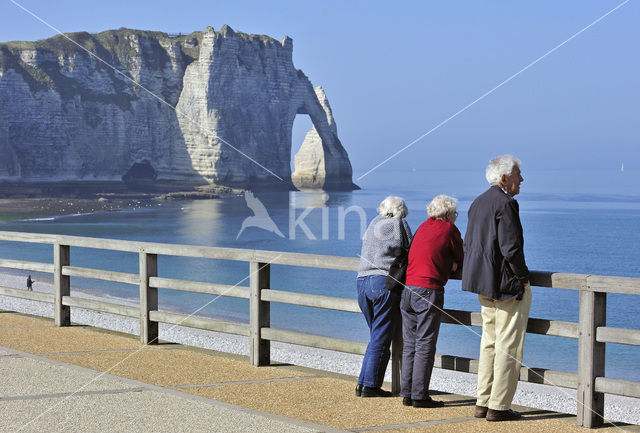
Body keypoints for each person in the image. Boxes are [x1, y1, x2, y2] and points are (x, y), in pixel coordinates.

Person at [462, 154, 532, 422]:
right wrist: (523, 277)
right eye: (517, 174)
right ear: (504, 178)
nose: (521, 179)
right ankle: (498, 406)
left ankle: (482, 402)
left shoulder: (477, 202)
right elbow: (511, 248)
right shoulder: (506, 204)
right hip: (505, 285)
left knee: (488, 343)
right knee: (508, 346)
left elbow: (471, 245)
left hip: (483, 284)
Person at [401, 195, 463, 408]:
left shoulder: (422, 227)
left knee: (410, 343)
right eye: (455, 213)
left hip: (408, 290)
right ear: (448, 214)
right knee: (425, 343)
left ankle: (407, 393)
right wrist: (452, 265)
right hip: (428, 290)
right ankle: (420, 396)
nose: (456, 217)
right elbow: (462, 256)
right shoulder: (448, 229)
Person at [356, 195, 412, 397]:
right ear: (401, 210)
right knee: (381, 335)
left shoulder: (373, 223)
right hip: (382, 282)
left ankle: (362, 383)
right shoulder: (399, 224)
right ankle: (370, 386)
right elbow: (410, 250)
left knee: (375, 334)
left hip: (362, 281)